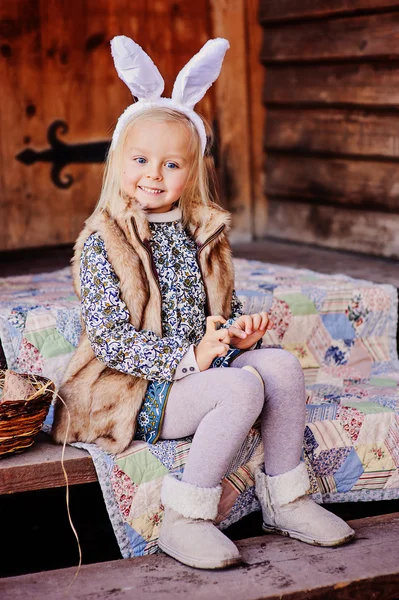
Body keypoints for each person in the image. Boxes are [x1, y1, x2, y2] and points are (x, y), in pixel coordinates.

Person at [52, 36, 355, 570]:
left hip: (199, 368)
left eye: (171, 165)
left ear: (192, 172)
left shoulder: (203, 231)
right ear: (117, 160)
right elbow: (111, 342)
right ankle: (186, 518)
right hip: (133, 388)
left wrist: (239, 334)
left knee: (280, 366)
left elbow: (221, 309)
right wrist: (193, 358)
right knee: (240, 385)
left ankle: (286, 498)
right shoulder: (104, 242)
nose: (153, 174)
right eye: (141, 159)